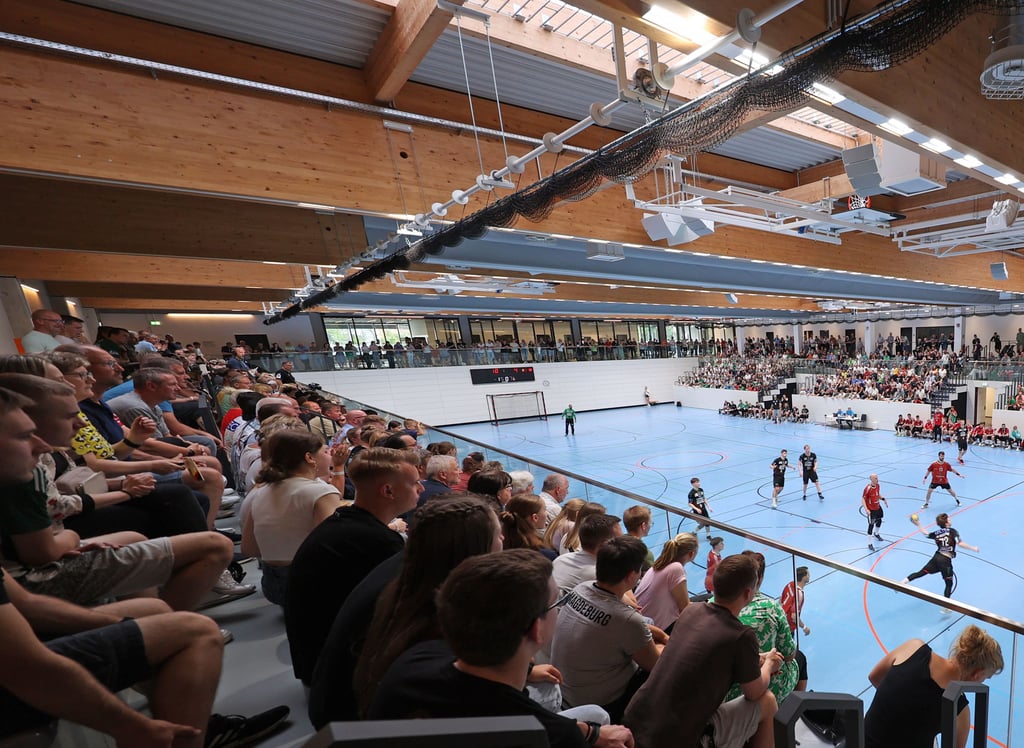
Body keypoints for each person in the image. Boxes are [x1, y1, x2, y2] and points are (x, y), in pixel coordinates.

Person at [0, 385, 290, 746]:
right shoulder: (22, 482)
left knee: (154, 604)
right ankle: (185, 735)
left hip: (42, 581)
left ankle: (180, 704)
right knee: (194, 626)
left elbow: (24, 603)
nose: (43, 446)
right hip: (26, 638)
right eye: (26, 435)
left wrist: (117, 621)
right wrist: (132, 728)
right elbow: (24, 662)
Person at [368, 550, 636, 748]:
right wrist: (593, 734)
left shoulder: (417, 656)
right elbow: (545, 726)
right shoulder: (530, 731)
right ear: (536, 629)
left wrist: (530, 670)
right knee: (598, 714)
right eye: (556, 604)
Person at [312, 496, 502, 726]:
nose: (503, 539)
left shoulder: (409, 575)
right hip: (357, 726)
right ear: (473, 548)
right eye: (497, 535)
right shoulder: (435, 608)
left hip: (340, 709)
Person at [285, 447, 422, 683]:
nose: (421, 488)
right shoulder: (379, 543)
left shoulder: (344, 524)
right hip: (339, 675)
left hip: (315, 661)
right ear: (388, 490)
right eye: (415, 483)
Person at [623, 554, 783, 748]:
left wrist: (757, 658)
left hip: (636, 719)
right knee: (767, 701)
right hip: (674, 740)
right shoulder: (742, 635)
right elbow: (754, 692)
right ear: (748, 594)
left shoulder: (691, 610)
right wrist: (769, 664)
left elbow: (713, 653)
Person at [551, 537, 665, 722]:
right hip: (600, 704)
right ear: (631, 576)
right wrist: (665, 643)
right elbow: (657, 665)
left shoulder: (582, 588)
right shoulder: (627, 621)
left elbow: (628, 623)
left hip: (564, 690)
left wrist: (660, 635)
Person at [240, 429, 343, 605]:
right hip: (311, 584)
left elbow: (249, 548)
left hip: (273, 586)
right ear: (310, 458)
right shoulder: (321, 491)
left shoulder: (261, 491)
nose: (330, 455)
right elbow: (335, 545)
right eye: (325, 451)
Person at [864, 625, 1003, 748]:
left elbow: (874, 676)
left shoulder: (913, 648)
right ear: (977, 674)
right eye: (986, 678)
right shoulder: (959, 711)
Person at [719, 551, 799, 705]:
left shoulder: (709, 605)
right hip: (743, 691)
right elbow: (789, 655)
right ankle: (789, 716)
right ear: (759, 578)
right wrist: (768, 662)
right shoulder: (770, 608)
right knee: (797, 662)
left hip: (719, 687)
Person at [902, 513, 978, 601]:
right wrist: (973, 548)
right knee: (949, 583)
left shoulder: (937, 532)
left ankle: (902, 582)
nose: (950, 520)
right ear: (946, 524)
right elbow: (960, 543)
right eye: (949, 519)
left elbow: (926, 534)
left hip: (936, 557)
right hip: (945, 560)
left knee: (921, 572)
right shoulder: (953, 531)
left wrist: (918, 524)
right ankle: (946, 606)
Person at [634, 533, 698, 630]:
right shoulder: (676, 568)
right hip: (657, 627)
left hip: (642, 621)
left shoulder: (659, 564)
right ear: (691, 554)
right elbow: (684, 608)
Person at [780, 566, 811, 639]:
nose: (809, 576)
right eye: (808, 574)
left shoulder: (790, 584)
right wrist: (804, 627)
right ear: (804, 577)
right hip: (787, 629)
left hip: (779, 622)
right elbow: (794, 617)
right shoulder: (799, 594)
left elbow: (781, 600)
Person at [862, 473, 889, 549]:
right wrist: (866, 509)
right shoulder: (868, 488)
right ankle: (869, 543)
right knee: (871, 525)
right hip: (871, 510)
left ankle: (876, 533)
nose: (877, 479)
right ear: (871, 479)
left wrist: (883, 499)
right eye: (876, 478)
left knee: (879, 521)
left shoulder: (877, 485)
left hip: (878, 507)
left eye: (877, 478)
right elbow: (863, 499)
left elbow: (877, 494)